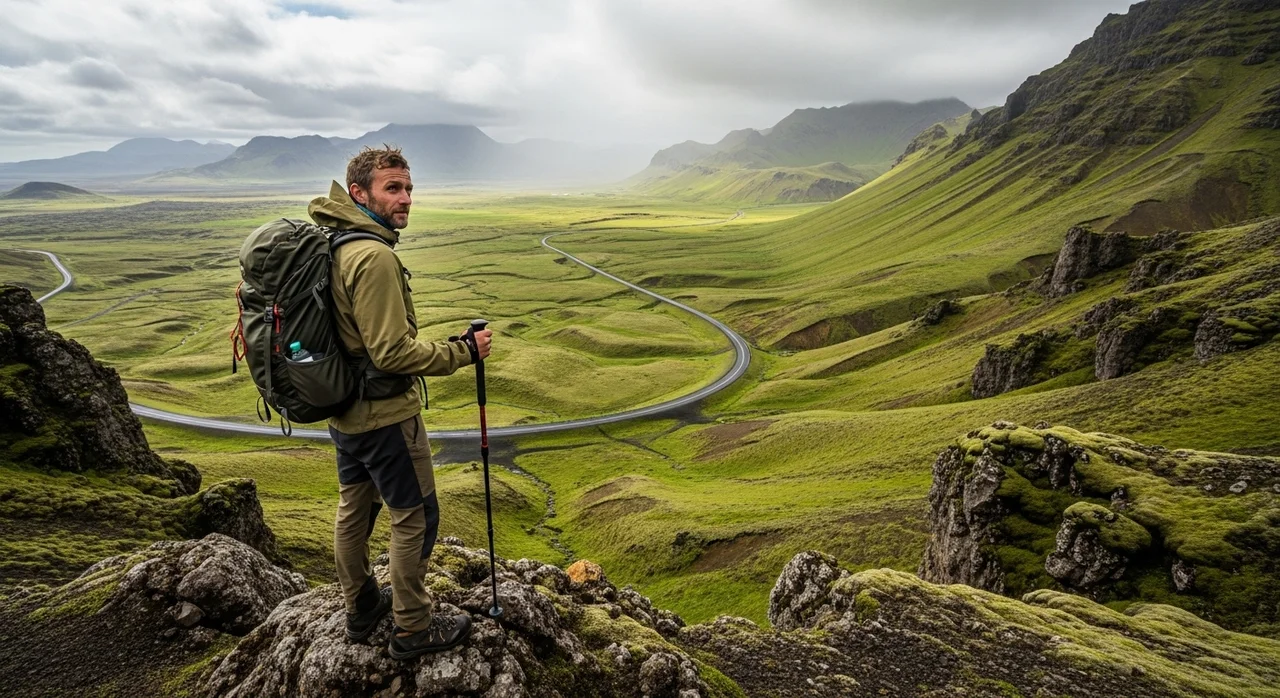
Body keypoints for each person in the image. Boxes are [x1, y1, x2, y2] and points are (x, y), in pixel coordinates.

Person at [307, 145, 493, 659]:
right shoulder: (374, 255)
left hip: (345, 411)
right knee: (416, 516)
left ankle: (361, 606)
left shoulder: (336, 242)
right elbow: (390, 351)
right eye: (393, 188)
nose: (406, 198)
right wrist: (462, 352)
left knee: (354, 510)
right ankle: (412, 626)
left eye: (408, 187)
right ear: (359, 193)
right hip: (387, 416)